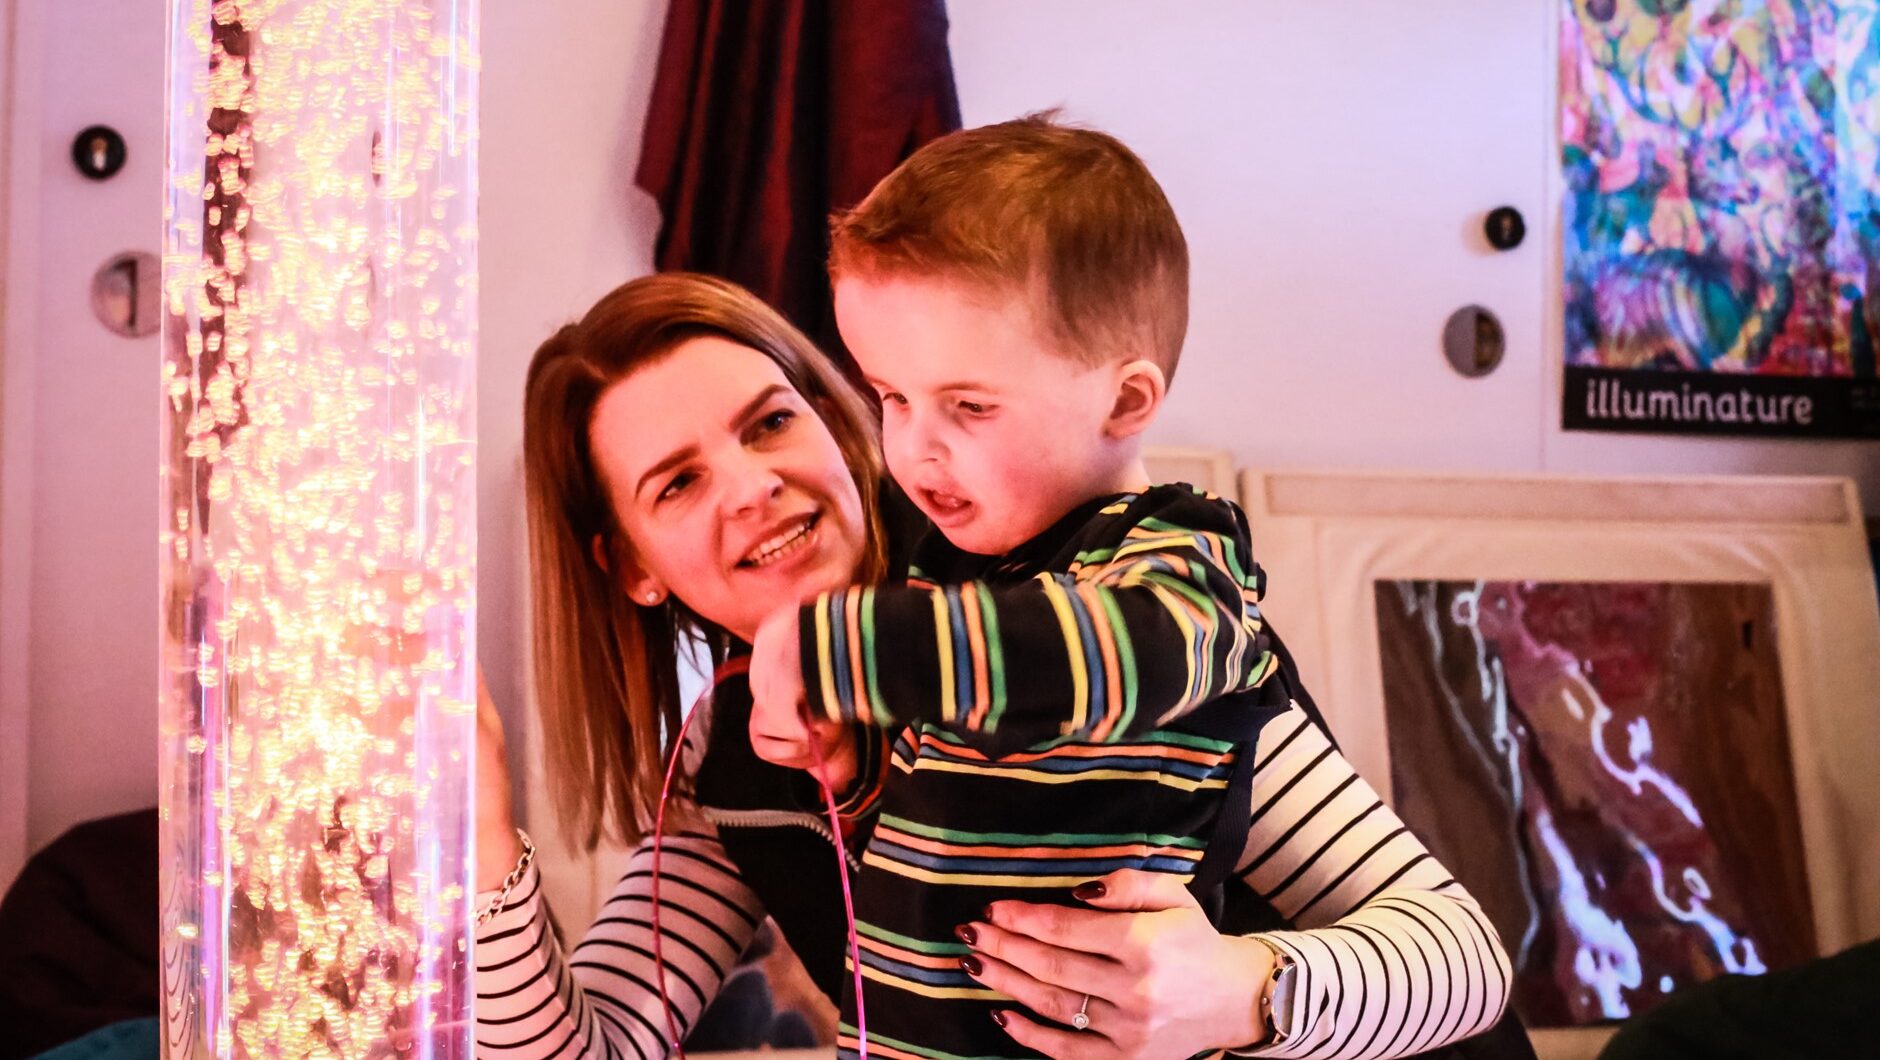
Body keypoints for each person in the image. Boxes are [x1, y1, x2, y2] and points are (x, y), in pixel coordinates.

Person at [474, 272, 1514, 1059]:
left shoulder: (1087, 626)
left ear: (837, 425)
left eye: (772, 422)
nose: (752, 487)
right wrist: (481, 839)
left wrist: (1244, 990)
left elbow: (1464, 959)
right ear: (632, 568)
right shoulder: (727, 766)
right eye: (677, 483)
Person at [739, 115, 1301, 1057]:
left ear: (1125, 400)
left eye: (968, 406)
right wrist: (855, 754)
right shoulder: (957, 574)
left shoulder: (1181, 559)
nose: (915, 446)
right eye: (892, 397)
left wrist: (840, 645)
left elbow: (1106, 654)